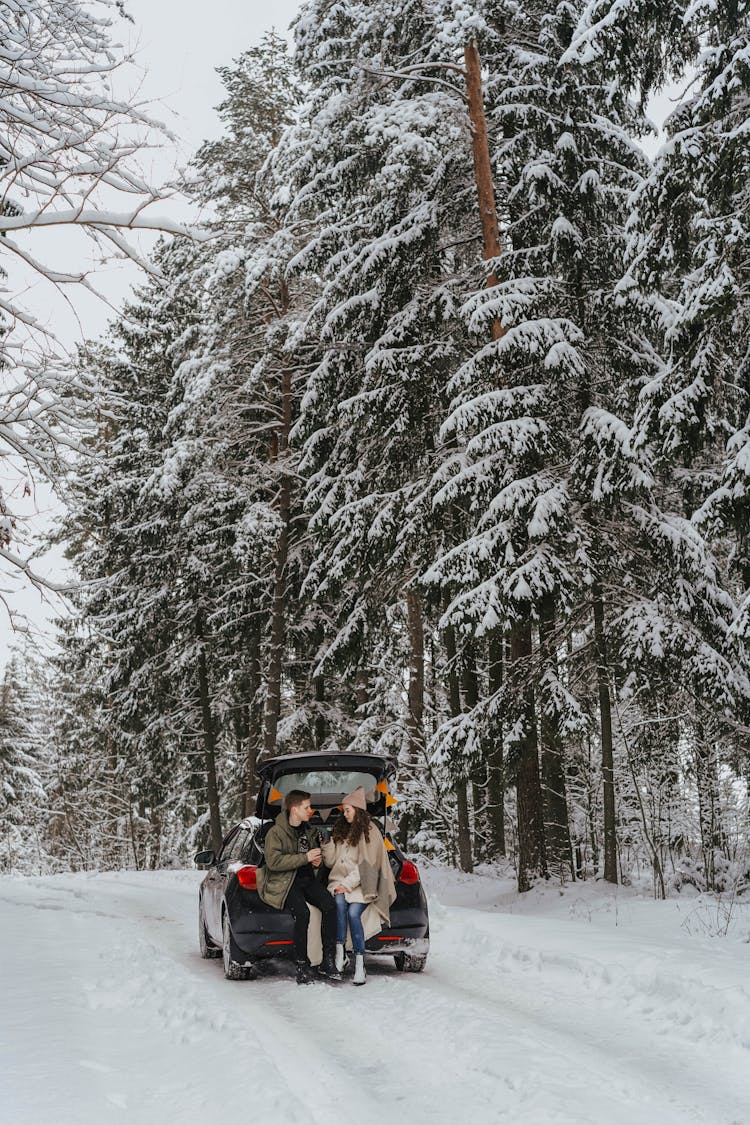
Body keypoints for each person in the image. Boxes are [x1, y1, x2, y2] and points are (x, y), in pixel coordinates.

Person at [256, 789, 340, 985]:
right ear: (294, 810)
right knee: (302, 913)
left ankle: (327, 960)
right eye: (307, 807)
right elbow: (274, 862)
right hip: (285, 882)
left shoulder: (308, 830)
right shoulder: (275, 833)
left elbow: (311, 859)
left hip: (307, 881)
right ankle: (302, 966)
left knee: (330, 906)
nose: (310, 810)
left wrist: (315, 863)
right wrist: (305, 857)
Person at [321, 786, 397, 986]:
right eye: (343, 810)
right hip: (339, 882)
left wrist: (347, 885)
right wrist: (327, 844)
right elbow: (331, 863)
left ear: (358, 809)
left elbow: (367, 866)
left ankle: (359, 962)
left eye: (347, 810)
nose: (344, 813)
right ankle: (340, 953)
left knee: (354, 914)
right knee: (338, 904)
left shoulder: (370, 832)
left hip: (364, 883)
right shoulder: (341, 830)